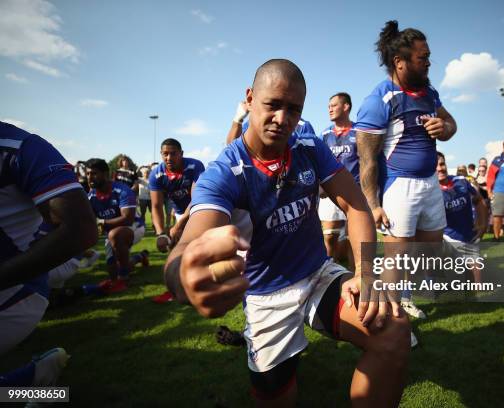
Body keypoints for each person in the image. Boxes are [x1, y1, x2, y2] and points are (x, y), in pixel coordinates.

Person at [164, 59, 411, 407]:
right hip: (267, 296)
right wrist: (180, 273)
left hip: (317, 274)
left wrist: (365, 272)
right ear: (250, 98)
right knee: (277, 395)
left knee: (393, 331)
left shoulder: (308, 147)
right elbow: (188, 243)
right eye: (273, 105)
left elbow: (356, 206)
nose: (283, 119)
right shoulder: (224, 171)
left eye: (293, 109)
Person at [354, 20, 457, 325]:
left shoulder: (429, 92)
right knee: (396, 258)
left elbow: (451, 124)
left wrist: (446, 127)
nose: (428, 63)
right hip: (400, 188)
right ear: (399, 63)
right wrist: (373, 205)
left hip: (429, 184)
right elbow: (367, 161)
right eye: (422, 58)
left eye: (427, 57)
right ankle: (393, 321)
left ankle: (404, 296)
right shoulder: (379, 100)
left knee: (427, 248)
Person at [0, 121, 98, 386]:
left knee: (119, 238)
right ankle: (33, 380)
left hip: (18, 285)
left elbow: (82, 230)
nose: (90, 177)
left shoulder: (17, 148)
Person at [148, 138, 205, 303]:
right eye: (165, 154)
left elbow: (197, 199)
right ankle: (177, 289)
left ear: (181, 154)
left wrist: (179, 224)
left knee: (197, 244)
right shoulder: (157, 174)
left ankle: (202, 282)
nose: (169, 157)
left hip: (201, 208)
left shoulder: (194, 166)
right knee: (175, 245)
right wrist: (160, 234)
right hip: (181, 212)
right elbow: (156, 206)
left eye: (173, 153)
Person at [86, 158, 148, 294]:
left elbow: (127, 219)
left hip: (134, 227)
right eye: (88, 174)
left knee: (116, 237)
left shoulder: (122, 190)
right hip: (112, 232)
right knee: (115, 267)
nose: (90, 177)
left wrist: (101, 223)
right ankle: (141, 256)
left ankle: (123, 279)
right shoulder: (90, 196)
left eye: (94, 173)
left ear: (106, 174)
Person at [318, 92, 359, 267]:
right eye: (328, 106)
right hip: (330, 192)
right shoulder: (325, 134)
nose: (330, 109)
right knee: (329, 236)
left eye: (334, 105)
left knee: (354, 238)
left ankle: (356, 275)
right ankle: (329, 276)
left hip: (354, 192)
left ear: (346, 107)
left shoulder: (359, 131)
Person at [437, 152, 488, 283]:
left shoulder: (461, 181)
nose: (439, 168)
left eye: (442, 164)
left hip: (466, 235)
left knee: (477, 285)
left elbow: (479, 200)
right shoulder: (427, 189)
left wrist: (482, 224)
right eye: (434, 165)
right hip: (443, 237)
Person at [225, 100, 316, 145]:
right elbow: (232, 147)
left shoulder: (303, 126)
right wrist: (238, 119)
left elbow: (311, 157)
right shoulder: (253, 123)